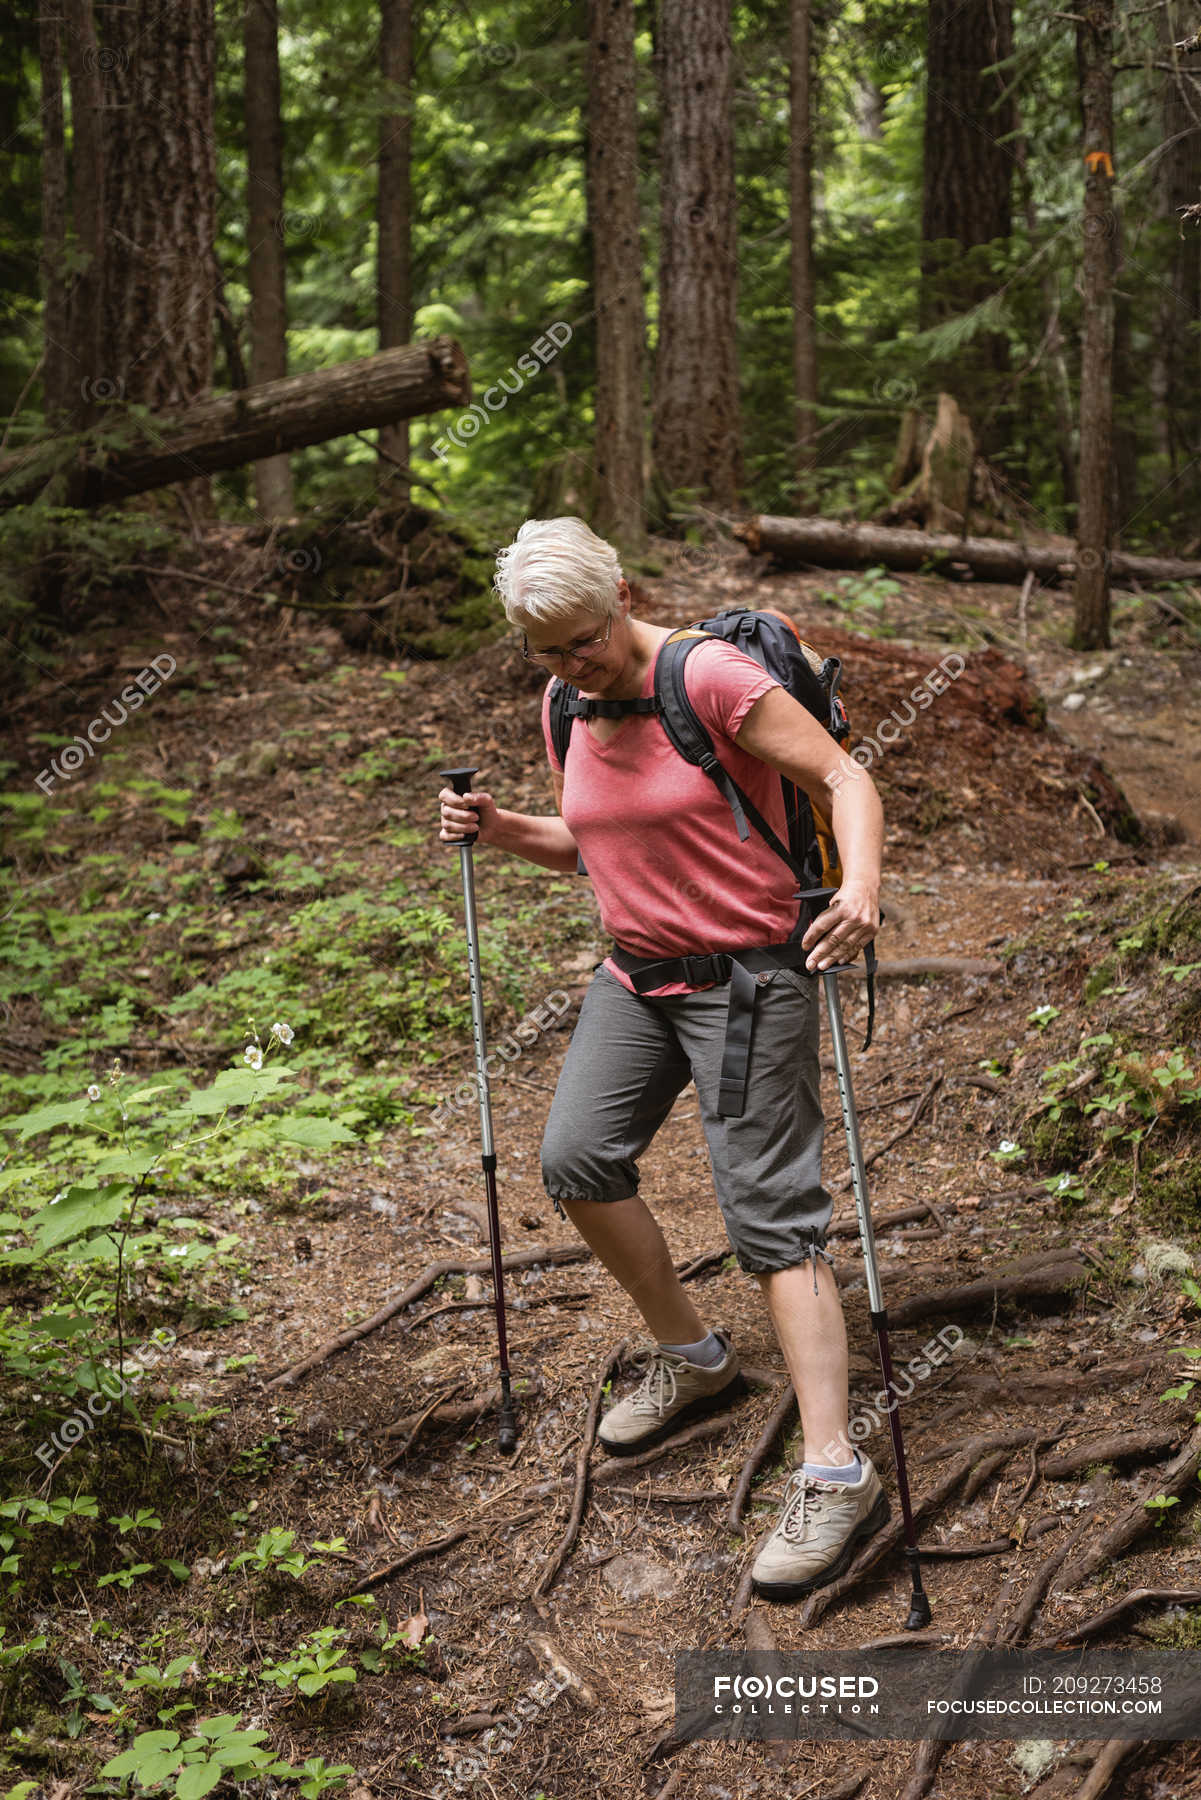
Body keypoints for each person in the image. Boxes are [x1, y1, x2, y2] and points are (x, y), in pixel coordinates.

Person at [438, 516, 889, 1599]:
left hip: (750, 979)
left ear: (623, 596)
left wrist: (861, 893)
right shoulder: (563, 704)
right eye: (545, 650)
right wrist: (502, 827)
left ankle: (834, 1466)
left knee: (770, 1218)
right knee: (577, 1161)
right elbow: (594, 842)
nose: (569, 664)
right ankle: (695, 1361)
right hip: (636, 977)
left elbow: (846, 781)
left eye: (584, 640)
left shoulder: (712, 678)